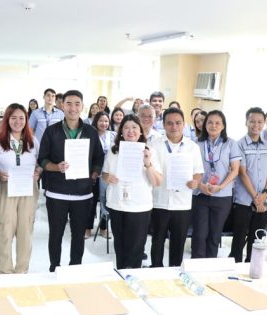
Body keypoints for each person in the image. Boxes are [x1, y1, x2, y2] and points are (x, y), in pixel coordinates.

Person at [37, 90, 104, 272]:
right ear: (62, 105)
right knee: (56, 234)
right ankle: (54, 267)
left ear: (82, 106)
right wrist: (55, 167)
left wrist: (95, 173)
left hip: (82, 193)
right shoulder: (52, 131)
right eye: (68, 103)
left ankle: (75, 268)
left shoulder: (91, 132)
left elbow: (98, 157)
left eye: (77, 104)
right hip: (56, 192)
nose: (73, 108)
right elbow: (42, 159)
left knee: (78, 235)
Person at [103, 115, 162, 269]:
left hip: (139, 207)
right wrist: (107, 177)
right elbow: (104, 174)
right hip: (117, 205)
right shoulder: (113, 151)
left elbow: (157, 182)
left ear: (141, 132)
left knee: (136, 248)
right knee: (120, 245)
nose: (131, 131)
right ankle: (121, 275)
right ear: (121, 132)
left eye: (134, 127)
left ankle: (134, 278)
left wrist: (147, 163)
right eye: (126, 127)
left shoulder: (150, 152)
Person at [0, 103, 41, 274]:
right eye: (13, 118)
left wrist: (38, 172)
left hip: (28, 190)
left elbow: (40, 163)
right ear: (7, 120)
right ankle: (6, 272)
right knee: (5, 231)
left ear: (26, 120)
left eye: (21, 118)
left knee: (25, 232)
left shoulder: (33, 141)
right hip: (5, 189)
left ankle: (22, 272)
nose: (18, 122)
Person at [150, 108, 203, 267]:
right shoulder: (154, 145)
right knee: (157, 240)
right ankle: (156, 269)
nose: (174, 127)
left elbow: (198, 172)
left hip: (182, 203)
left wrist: (195, 182)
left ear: (184, 124)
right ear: (163, 125)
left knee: (178, 242)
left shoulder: (192, 147)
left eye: (178, 123)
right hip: (159, 201)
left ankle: (174, 271)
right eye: (170, 123)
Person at [192, 110, 242, 258]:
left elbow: (235, 170)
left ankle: (209, 266)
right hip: (201, 194)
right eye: (210, 122)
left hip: (222, 195)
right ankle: (196, 266)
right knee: (199, 234)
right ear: (204, 125)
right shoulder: (196, 143)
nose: (213, 125)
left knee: (215, 235)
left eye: (217, 123)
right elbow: (191, 169)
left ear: (223, 126)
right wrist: (201, 185)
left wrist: (220, 186)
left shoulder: (231, 143)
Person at [229, 108, 267, 263]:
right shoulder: (239, 144)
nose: (256, 125)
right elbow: (242, 173)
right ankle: (234, 268)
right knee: (239, 239)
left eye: (260, 122)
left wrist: (265, 195)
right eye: (252, 121)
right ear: (246, 122)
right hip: (244, 200)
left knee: (257, 239)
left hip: (263, 200)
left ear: (263, 123)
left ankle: (252, 267)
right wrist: (256, 198)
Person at [87, 111, 115, 239]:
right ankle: (87, 228)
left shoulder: (113, 135)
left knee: (106, 201)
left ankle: (103, 228)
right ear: (96, 122)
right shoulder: (91, 135)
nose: (104, 123)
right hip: (93, 173)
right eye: (101, 121)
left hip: (108, 174)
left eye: (106, 121)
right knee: (91, 202)